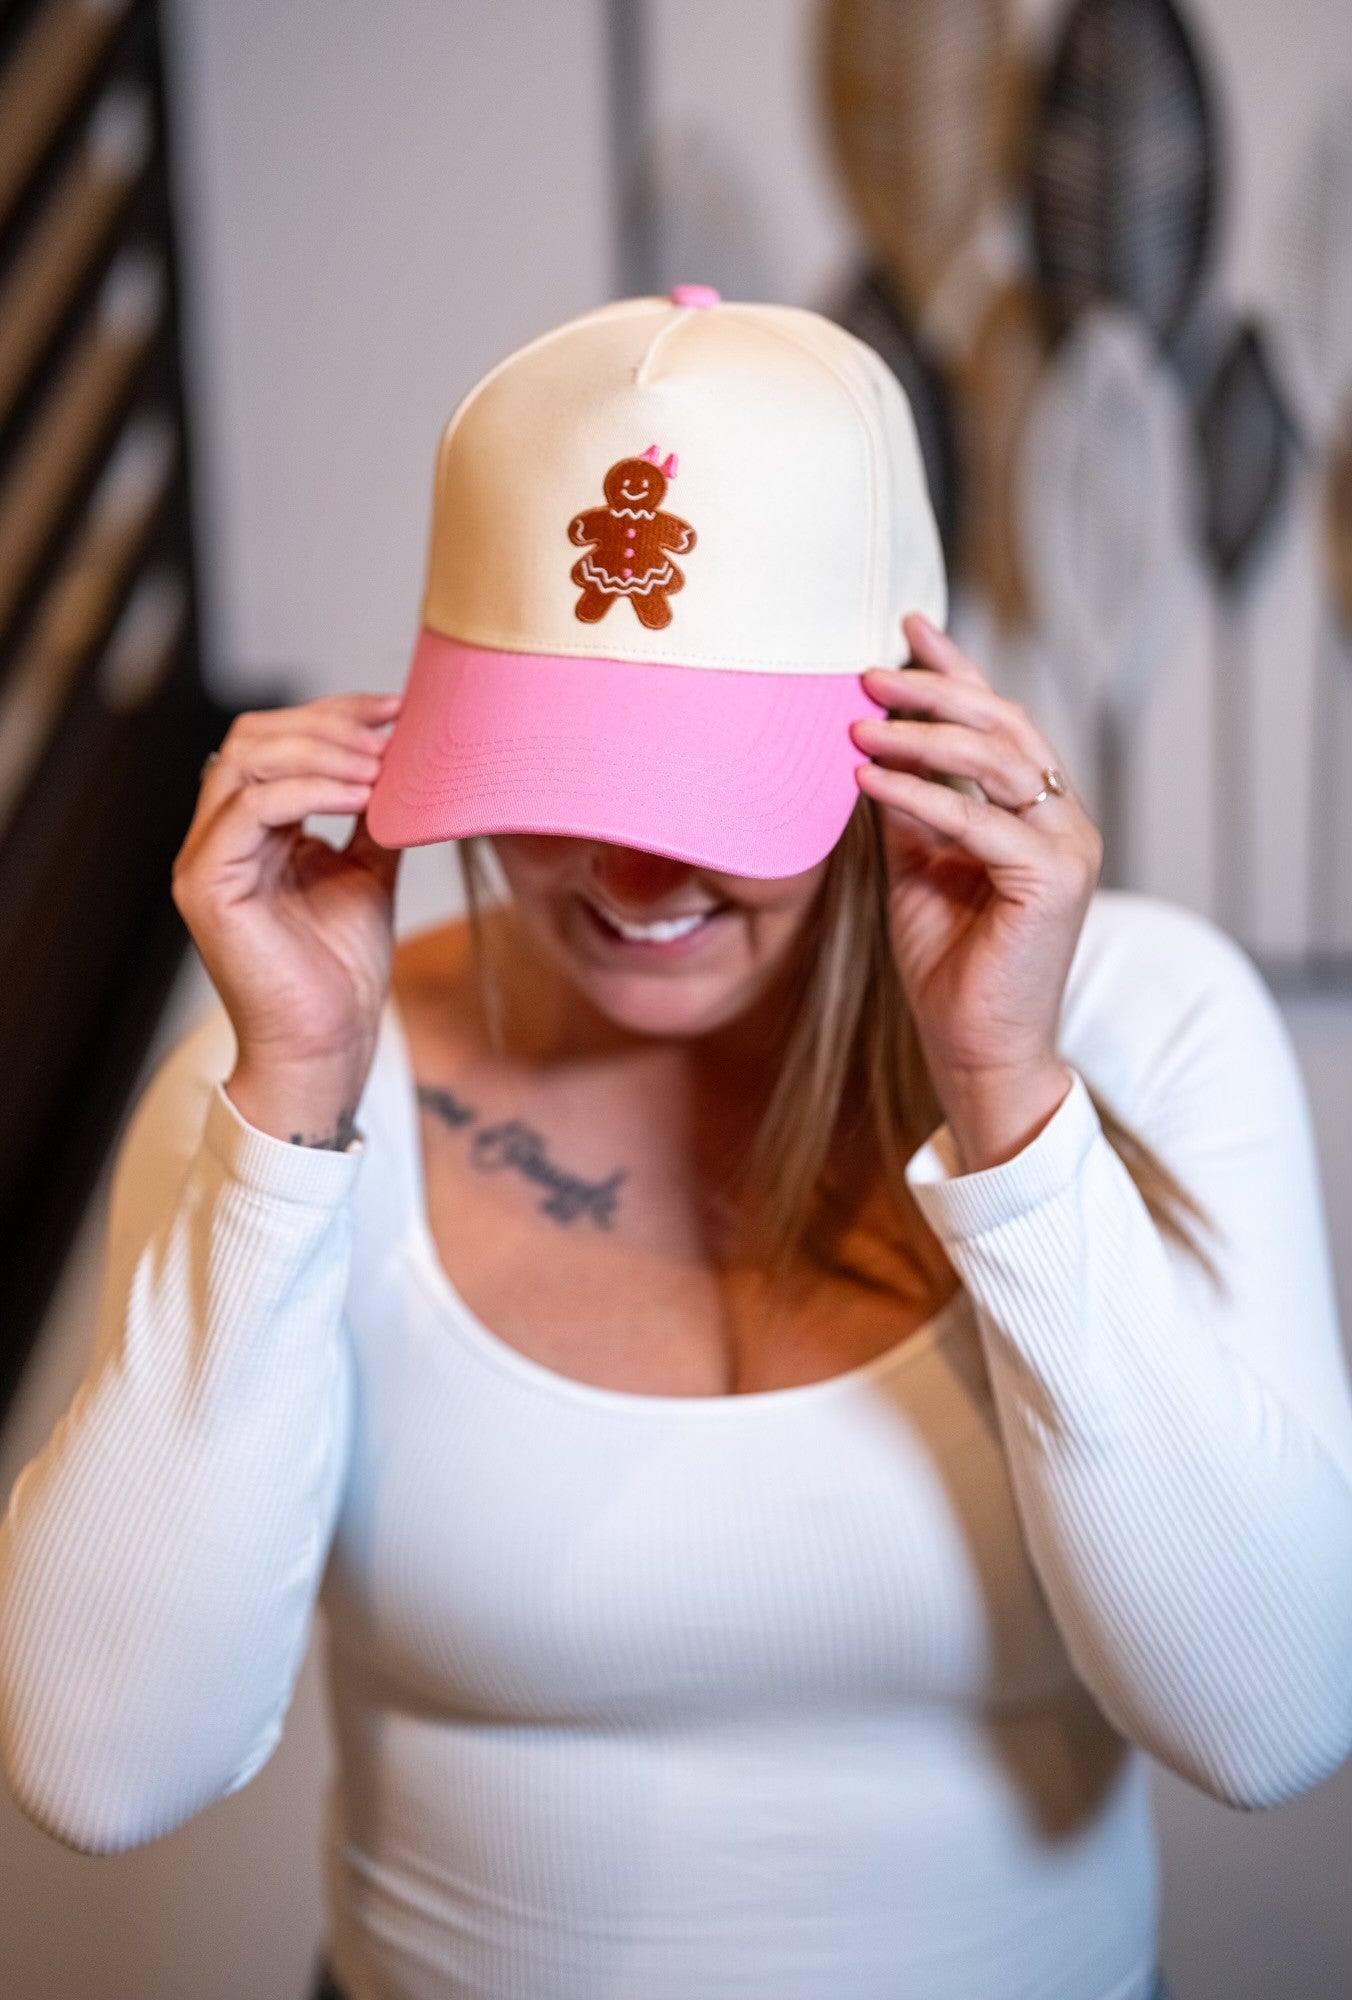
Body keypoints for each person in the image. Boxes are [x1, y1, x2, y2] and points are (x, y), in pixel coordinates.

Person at [2, 291, 1351, 2000]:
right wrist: (288, 1111)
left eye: (715, 788)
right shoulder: (289, 1068)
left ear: (917, 725)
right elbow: (103, 1767)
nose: (635, 882)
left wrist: (1009, 1103)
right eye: (563, 768)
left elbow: (1274, 1716)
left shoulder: (1146, 1024)